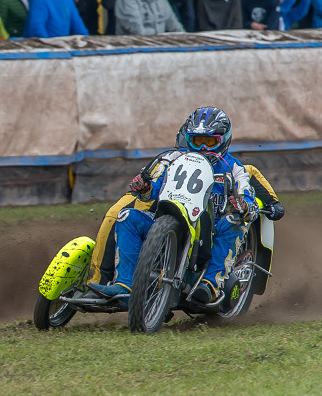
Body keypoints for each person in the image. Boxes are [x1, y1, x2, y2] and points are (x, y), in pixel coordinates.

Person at [89, 107, 259, 305]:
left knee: (235, 222)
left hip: (211, 231)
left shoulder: (235, 169)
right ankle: (126, 285)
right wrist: (144, 188)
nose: (203, 147)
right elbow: (151, 193)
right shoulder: (171, 159)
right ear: (188, 140)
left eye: (210, 141)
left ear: (223, 140)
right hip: (168, 218)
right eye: (197, 141)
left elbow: (251, 206)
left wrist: (243, 206)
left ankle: (210, 284)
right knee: (128, 217)